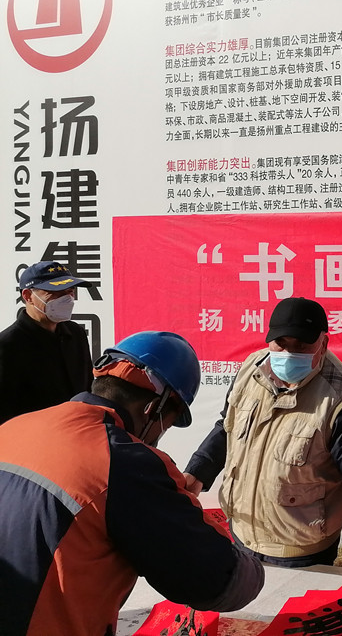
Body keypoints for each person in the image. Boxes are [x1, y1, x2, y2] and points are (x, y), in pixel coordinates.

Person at [0, 331, 264, 636]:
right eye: (169, 421)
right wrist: (253, 564)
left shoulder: (15, 427)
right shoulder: (124, 461)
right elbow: (216, 579)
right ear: (153, 409)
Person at [184, 297, 342, 585]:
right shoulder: (251, 370)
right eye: (280, 344)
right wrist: (198, 472)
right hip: (242, 533)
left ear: (323, 343)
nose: (288, 354)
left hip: (300, 551)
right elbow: (227, 426)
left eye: (302, 346)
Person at [0, 260, 93, 424]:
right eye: (56, 293)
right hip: (33, 436)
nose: (67, 299)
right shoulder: (7, 346)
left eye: (70, 292)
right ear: (28, 296)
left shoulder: (76, 333)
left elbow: (87, 388)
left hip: (78, 431)